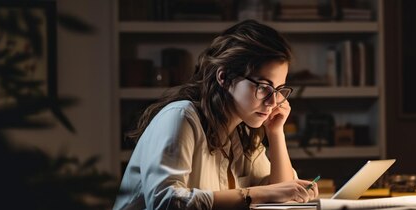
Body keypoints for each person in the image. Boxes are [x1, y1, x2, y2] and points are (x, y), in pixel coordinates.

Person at [112, 20, 319, 210]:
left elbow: (281, 198)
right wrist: (253, 194)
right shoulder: (181, 117)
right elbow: (165, 201)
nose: (273, 102)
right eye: (264, 87)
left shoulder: (244, 133)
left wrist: (276, 133)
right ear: (224, 77)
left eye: (278, 89)